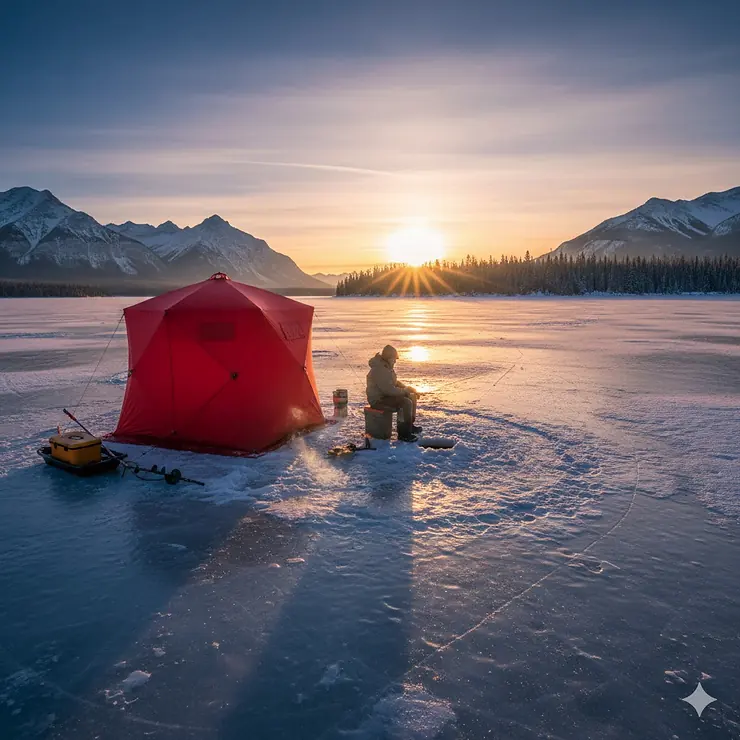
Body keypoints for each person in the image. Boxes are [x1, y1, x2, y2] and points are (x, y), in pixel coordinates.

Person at [366, 345, 422, 442]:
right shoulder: (380, 369)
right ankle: (404, 434)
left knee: (411, 397)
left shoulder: (386, 367)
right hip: (378, 400)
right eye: (394, 359)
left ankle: (409, 426)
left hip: (385, 397)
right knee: (406, 402)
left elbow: (394, 383)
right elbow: (388, 390)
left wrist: (407, 389)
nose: (395, 361)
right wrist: (404, 391)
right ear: (388, 358)